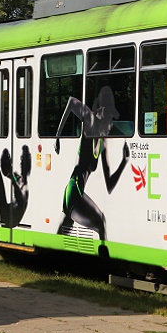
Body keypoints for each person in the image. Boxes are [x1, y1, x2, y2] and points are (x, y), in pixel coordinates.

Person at [52, 86, 130, 241]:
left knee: (58, 240)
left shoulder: (102, 143)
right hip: (74, 189)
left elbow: (109, 185)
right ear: (102, 112)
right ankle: (105, 261)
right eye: (110, 119)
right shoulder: (90, 119)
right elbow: (71, 102)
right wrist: (57, 136)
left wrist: (124, 161)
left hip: (74, 191)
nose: (111, 125)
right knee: (101, 222)